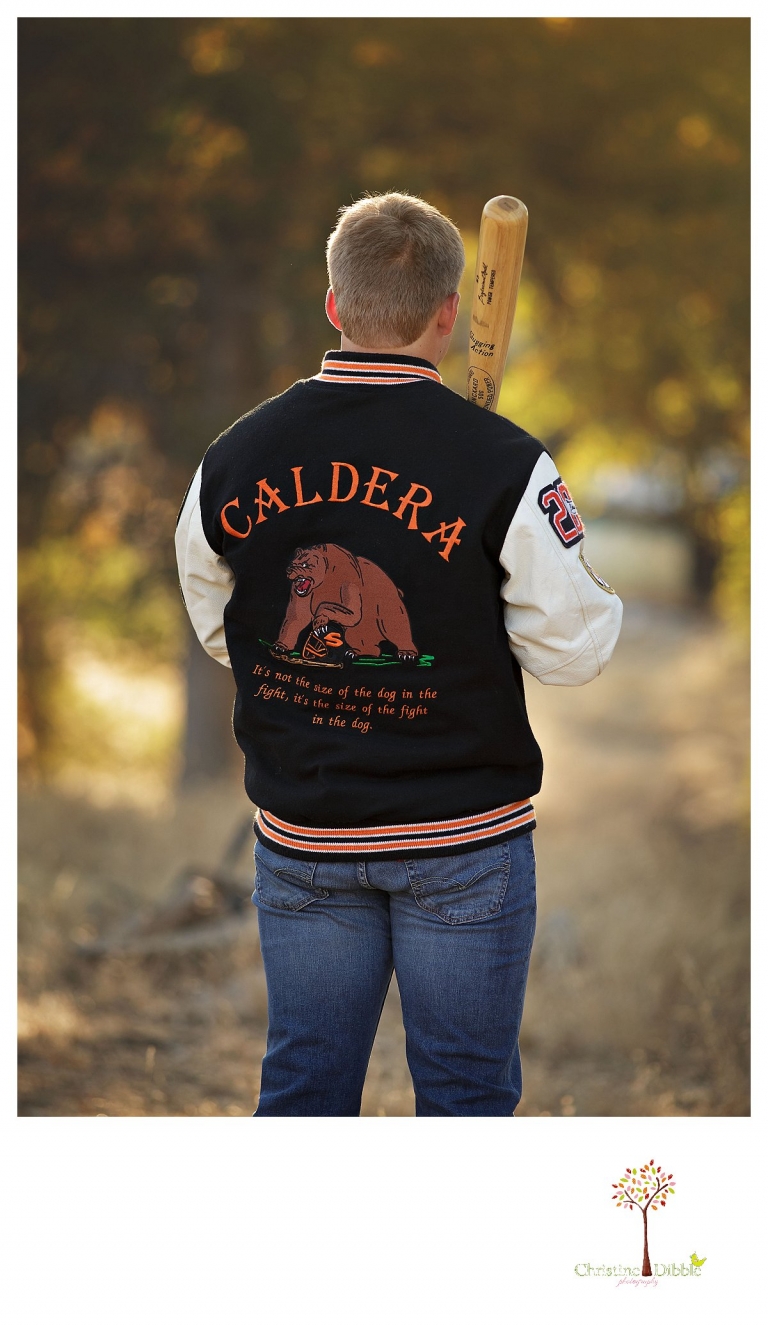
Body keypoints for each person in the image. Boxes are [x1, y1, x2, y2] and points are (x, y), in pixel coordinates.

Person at [175, 191, 622, 1117]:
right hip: (462, 844)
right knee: (464, 1102)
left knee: (304, 1092)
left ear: (333, 304)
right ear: (450, 314)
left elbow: (227, 633)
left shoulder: (234, 455)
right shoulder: (505, 463)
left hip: (306, 834)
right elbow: (575, 651)